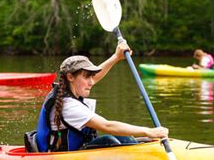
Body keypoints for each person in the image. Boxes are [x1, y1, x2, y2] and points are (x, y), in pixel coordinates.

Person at [32, 42, 168, 152]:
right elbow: (106, 125)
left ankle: (142, 156)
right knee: (108, 140)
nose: (91, 82)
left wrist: (116, 57)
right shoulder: (68, 106)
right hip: (61, 159)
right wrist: (148, 131)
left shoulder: (72, 89)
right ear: (70, 77)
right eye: (87, 77)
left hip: (77, 151)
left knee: (122, 137)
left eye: (91, 76)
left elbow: (94, 77)